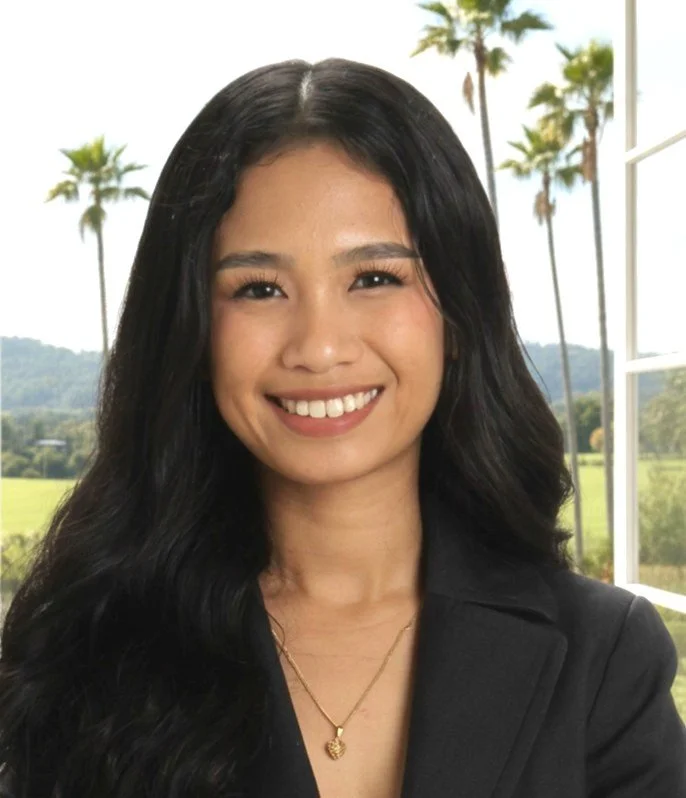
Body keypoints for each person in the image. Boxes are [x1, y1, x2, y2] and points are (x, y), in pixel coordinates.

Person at [0, 58, 684, 798]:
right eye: (258, 288)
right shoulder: (86, 655)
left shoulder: (604, 658)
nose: (320, 346)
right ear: (191, 331)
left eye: (374, 278)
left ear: (458, 313)